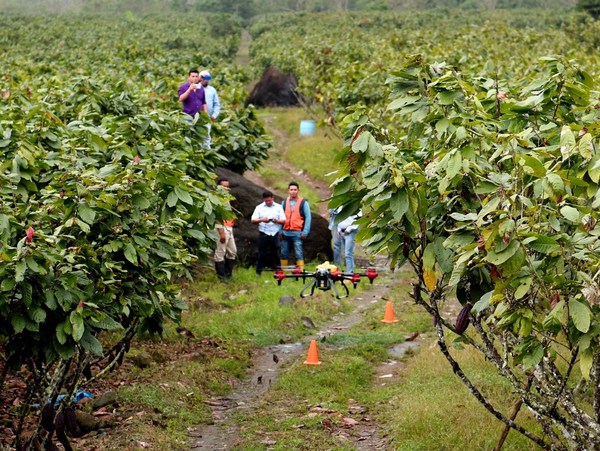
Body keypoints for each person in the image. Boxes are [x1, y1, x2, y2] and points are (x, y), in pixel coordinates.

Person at [251, 191, 285, 275]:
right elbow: (253, 220)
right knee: (262, 253)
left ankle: (278, 271)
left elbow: (284, 220)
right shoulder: (259, 207)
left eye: (269, 200)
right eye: (266, 201)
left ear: (272, 198)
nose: (268, 202)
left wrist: (276, 220)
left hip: (274, 233)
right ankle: (258, 271)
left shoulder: (278, 207)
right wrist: (262, 220)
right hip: (264, 233)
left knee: (277, 253)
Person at [280, 182, 311, 271]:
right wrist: (280, 231)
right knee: (283, 253)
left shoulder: (304, 203)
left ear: (298, 191)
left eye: (295, 190)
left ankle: (301, 271)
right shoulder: (284, 202)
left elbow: (308, 217)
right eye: (291, 190)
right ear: (288, 191)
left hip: (297, 233)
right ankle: (283, 272)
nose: (293, 191)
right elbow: (280, 217)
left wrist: (305, 232)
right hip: (285, 233)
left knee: (298, 253)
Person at [214, 177, 237, 282]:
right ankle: (221, 277)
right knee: (220, 252)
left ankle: (228, 274)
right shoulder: (216, 199)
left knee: (232, 252)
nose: (225, 188)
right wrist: (221, 232)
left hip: (229, 227)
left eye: (227, 187)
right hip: (221, 228)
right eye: (223, 186)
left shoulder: (226, 199)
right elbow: (216, 217)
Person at [199, 70, 221, 148]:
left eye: (208, 79)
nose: (206, 81)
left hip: (208, 118)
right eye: (205, 79)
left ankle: (206, 154)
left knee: (206, 137)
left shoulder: (212, 90)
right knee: (197, 138)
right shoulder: (196, 88)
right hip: (196, 117)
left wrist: (214, 116)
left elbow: (217, 104)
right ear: (200, 78)